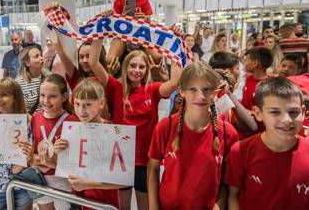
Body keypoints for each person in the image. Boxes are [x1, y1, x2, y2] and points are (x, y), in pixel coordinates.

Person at [89, 40, 182, 210]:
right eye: (132, 66)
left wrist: (175, 46)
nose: (137, 71)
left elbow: (175, 83)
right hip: (121, 158)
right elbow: (93, 63)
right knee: (123, 206)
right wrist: (98, 34)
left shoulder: (152, 90)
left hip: (145, 160)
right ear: (125, 67)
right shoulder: (116, 88)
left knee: (144, 206)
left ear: (147, 70)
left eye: (141, 67)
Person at [147, 62, 238, 209]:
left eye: (207, 89)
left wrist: (218, 205)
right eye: (193, 89)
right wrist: (153, 206)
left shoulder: (228, 133)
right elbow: (153, 169)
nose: (200, 96)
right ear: (182, 91)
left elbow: (227, 180)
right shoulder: (166, 127)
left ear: (215, 92)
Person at [224, 77, 309, 209]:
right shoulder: (240, 151)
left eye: (293, 112)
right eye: (275, 112)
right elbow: (233, 195)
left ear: (303, 112)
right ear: (258, 113)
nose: (286, 120)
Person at [54, 78, 123, 210]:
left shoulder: (111, 132)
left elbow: (121, 181)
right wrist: (58, 153)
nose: (81, 110)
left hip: (104, 202)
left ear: (101, 103)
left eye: (87, 105)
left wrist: (88, 184)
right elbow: (70, 168)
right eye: (77, 104)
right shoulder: (73, 131)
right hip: (79, 201)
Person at [0, 77, 32, 210]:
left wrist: (25, 158)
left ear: (16, 98)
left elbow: (26, 156)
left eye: (4, 95)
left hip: (22, 185)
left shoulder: (28, 122)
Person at [31, 74, 78, 210]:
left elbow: (75, 161)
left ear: (64, 97)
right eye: (42, 95)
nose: (46, 101)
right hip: (40, 177)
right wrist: (32, 158)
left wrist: (54, 159)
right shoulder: (36, 118)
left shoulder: (73, 122)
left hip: (62, 180)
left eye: (52, 96)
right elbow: (33, 153)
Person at [106, 0, 157, 69]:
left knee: (158, 58)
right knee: (110, 60)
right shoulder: (118, 2)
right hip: (123, 36)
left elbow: (149, 25)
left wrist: (144, 20)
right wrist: (123, 17)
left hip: (141, 35)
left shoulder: (144, 1)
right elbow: (116, 27)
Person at [209, 52, 258, 135]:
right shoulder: (222, 97)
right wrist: (230, 95)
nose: (240, 73)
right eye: (237, 68)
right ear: (227, 72)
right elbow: (252, 127)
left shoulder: (209, 92)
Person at [241, 46, 273, 112]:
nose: (244, 64)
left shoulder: (270, 85)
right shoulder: (248, 78)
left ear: (255, 63)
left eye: (246, 60)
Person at [16, 45, 45, 115]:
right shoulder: (18, 84)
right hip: (30, 122)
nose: (41, 58)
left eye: (41, 55)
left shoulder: (49, 78)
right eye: (36, 56)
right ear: (27, 62)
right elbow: (18, 108)